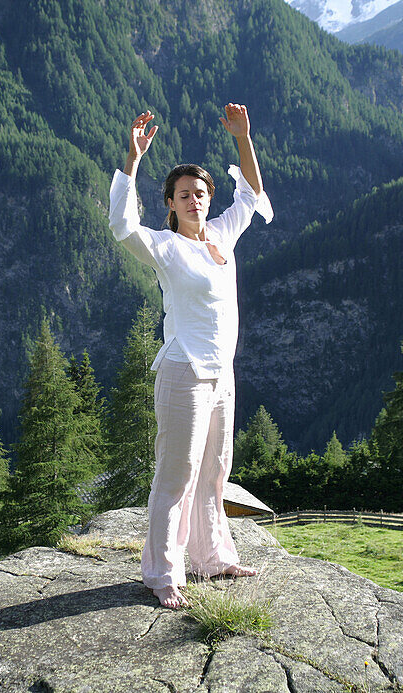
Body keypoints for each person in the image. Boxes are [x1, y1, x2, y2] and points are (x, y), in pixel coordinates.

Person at [108, 104, 272, 608]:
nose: (194, 201)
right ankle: (162, 572)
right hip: (184, 370)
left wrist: (244, 137)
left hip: (222, 374)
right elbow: (121, 225)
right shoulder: (163, 246)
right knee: (177, 473)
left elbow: (253, 194)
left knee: (216, 470)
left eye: (200, 193)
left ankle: (212, 558)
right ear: (172, 203)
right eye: (184, 195)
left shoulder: (223, 234)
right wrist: (132, 160)